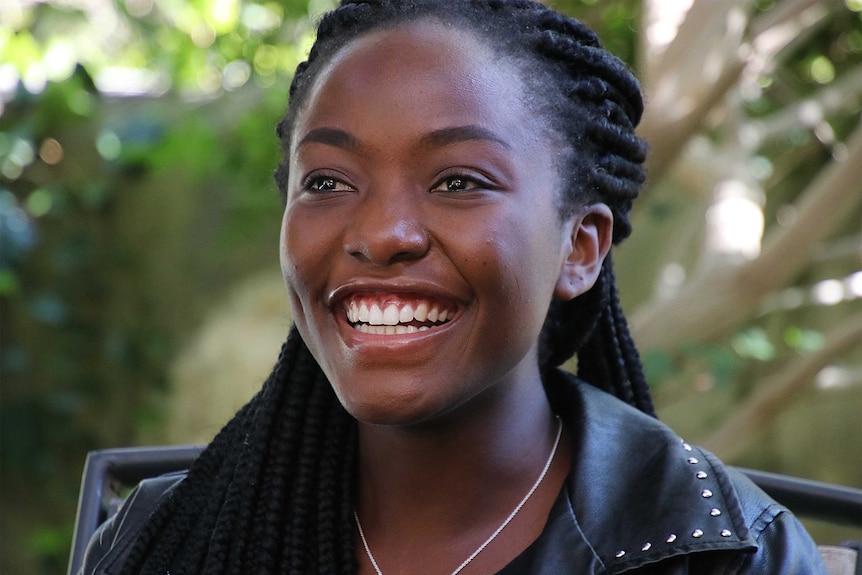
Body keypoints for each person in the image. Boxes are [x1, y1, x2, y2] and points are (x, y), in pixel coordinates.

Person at [78, 1, 829, 574]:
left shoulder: (726, 553)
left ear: (580, 246)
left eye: (459, 181)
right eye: (329, 180)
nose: (382, 233)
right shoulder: (169, 539)